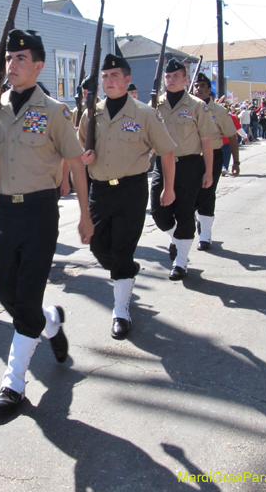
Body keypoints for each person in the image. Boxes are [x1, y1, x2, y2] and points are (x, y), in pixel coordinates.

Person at [0, 29, 93, 415]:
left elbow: (75, 162)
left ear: (39, 66)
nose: (13, 64)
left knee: (26, 296)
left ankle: (14, 382)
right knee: (8, 295)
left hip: (40, 213)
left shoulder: (55, 112)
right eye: (9, 58)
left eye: (21, 58)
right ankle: (51, 322)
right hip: (6, 213)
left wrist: (86, 215)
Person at [79, 54, 176, 339]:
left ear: (127, 79)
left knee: (121, 251)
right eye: (105, 76)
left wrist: (168, 189)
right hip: (100, 191)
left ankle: (121, 310)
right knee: (98, 246)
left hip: (131, 190)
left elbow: (167, 151)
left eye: (114, 75)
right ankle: (126, 271)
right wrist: (85, 157)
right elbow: (78, 148)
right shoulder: (91, 113)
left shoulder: (144, 114)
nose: (108, 81)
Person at [150, 58, 215, 280]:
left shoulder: (197, 106)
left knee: (185, 212)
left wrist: (208, 172)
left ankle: (181, 262)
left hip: (189, 165)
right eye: (168, 76)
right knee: (159, 212)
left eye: (176, 76)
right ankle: (177, 239)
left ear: (186, 79)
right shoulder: (156, 104)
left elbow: (207, 141)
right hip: (162, 163)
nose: (171, 80)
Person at [192, 73, 239, 250]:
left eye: (203, 85)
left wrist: (236, 162)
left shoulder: (219, 111)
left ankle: (205, 236)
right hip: (191, 157)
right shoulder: (187, 108)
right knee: (191, 196)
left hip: (212, 156)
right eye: (196, 85)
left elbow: (232, 137)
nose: (199, 89)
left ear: (209, 89)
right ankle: (200, 221)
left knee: (207, 193)